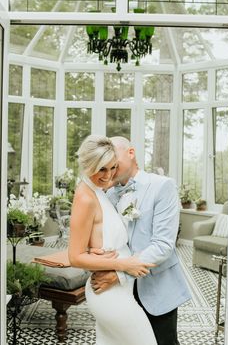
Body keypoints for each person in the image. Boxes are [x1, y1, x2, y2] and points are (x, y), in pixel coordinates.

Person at [90, 136, 191, 345]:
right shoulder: (108, 195)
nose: (110, 165)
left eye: (114, 156)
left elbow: (163, 246)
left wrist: (118, 274)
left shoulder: (162, 186)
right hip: (120, 295)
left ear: (131, 152)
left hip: (157, 289)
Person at [68, 134, 157, 345]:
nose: (108, 176)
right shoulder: (85, 197)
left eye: (112, 167)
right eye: (101, 169)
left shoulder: (99, 191)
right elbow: (75, 257)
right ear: (88, 165)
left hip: (119, 289)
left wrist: (95, 252)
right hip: (108, 295)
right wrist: (123, 264)